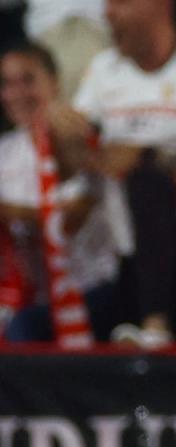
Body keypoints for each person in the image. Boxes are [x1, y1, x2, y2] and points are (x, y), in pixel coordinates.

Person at [49, 0, 176, 346]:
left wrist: (147, 155)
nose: (107, 13)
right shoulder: (104, 70)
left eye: (121, 2)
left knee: (147, 180)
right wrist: (60, 133)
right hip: (124, 240)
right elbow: (77, 161)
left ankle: (155, 321)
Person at [0, 42, 119, 342]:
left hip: (91, 290)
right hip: (28, 294)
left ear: (54, 82)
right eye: (6, 84)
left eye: (28, 80)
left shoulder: (77, 138)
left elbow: (69, 220)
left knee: (22, 330)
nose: (17, 93)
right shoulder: (4, 152)